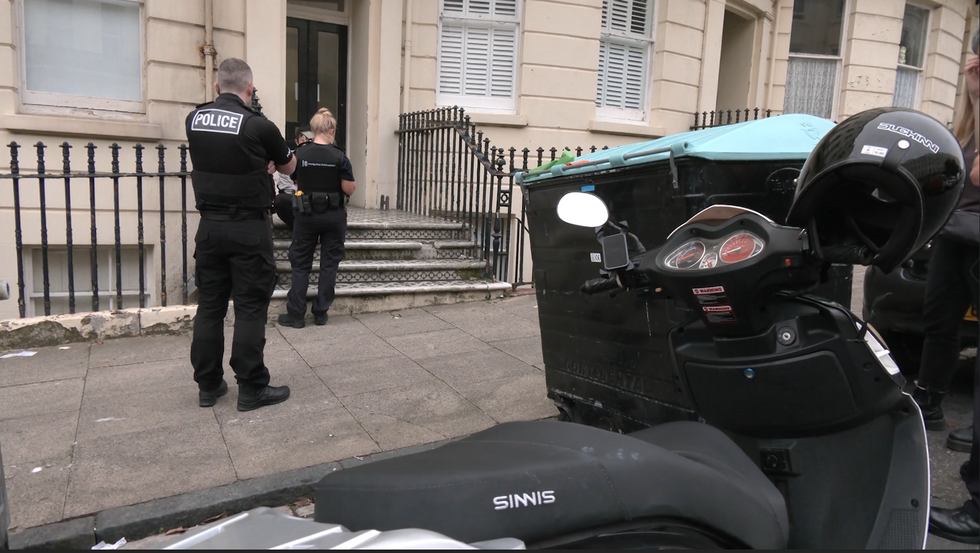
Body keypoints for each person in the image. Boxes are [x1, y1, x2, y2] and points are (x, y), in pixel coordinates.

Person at [185, 58, 295, 412]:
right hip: (248, 227)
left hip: (210, 228)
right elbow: (291, 166)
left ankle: (208, 384)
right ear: (250, 90)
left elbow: (218, 155)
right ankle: (251, 388)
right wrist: (267, 159)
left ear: (217, 87)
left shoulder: (195, 119)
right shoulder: (259, 126)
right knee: (249, 307)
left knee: (211, 306)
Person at [925, 30, 979, 545]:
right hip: (956, 237)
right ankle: (931, 403)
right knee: (939, 325)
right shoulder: (968, 119)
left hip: (975, 240)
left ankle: (979, 508)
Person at [277, 108, 356, 329]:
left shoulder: (300, 153)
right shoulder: (340, 156)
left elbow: (292, 177)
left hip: (306, 214)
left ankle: (296, 315)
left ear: (313, 130)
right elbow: (349, 188)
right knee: (329, 264)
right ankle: (321, 313)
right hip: (333, 216)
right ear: (331, 130)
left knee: (301, 264)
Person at [274, 127, 313, 229]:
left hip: (314, 201)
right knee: (280, 201)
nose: (306, 144)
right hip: (295, 200)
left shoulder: (318, 157)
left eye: (309, 141)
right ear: (296, 142)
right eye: (303, 141)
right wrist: (302, 189)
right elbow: (285, 186)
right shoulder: (289, 159)